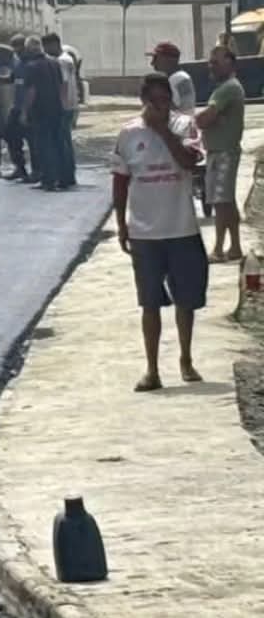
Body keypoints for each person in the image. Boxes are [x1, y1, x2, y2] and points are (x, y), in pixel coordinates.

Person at [110, 72, 207, 391]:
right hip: (144, 233)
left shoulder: (184, 126)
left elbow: (189, 163)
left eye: (165, 100)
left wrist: (163, 131)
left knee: (186, 300)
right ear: (144, 101)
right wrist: (121, 223)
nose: (161, 106)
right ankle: (152, 370)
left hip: (181, 227)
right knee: (149, 303)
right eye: (154, 101)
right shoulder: (128, 134)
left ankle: (186, 359)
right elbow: (120, 181)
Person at [196, 45, 246, 262]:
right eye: (210, 62)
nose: (211, 66)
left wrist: (202, 119)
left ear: (229, 63)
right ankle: (234, 247)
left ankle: (218, 248)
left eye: (215, 62)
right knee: (227, 201)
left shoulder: (227, 89)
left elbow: (204, 119)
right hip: (222, 151)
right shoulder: (228, 88)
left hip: (223, 152)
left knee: (221, 202)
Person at [22, 35, 67, 191]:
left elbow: (31, 91)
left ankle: (48, 180)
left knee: (43, 146)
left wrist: (24, 112)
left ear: (29, 50)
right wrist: (63, 105)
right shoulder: (55, 63)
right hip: (57, 109)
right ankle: (62, 178)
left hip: (40, 110)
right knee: (57, 143)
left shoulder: (31, 67)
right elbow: (62, 86)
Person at [42, 31, 79, 189]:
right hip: (70, 104)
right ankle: (67, 175)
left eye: (46, 47)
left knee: (62, 142)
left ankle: (65, 176)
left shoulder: (62, 61)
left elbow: (62, 84)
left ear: (53, 44)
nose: (45, 51)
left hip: (64, 105)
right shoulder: (68, 58)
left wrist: (61, 105)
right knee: (65, 141)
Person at [3, 34, 32, 182]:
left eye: (20, 49)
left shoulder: (32, 63)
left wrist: (26, 111)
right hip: (17, 106)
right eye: (15, 49)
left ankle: (38, 170)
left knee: (33, 140)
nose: (17, 52)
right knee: (10, 134)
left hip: (29, 107)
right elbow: (13, 78)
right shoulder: (17, 62)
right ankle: (20, 168)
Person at [150, 41, 196, 114]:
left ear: (169, 59)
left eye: (155, 58)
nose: (152, 63)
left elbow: (165, 111)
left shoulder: (175, 79)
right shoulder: (181, 76)